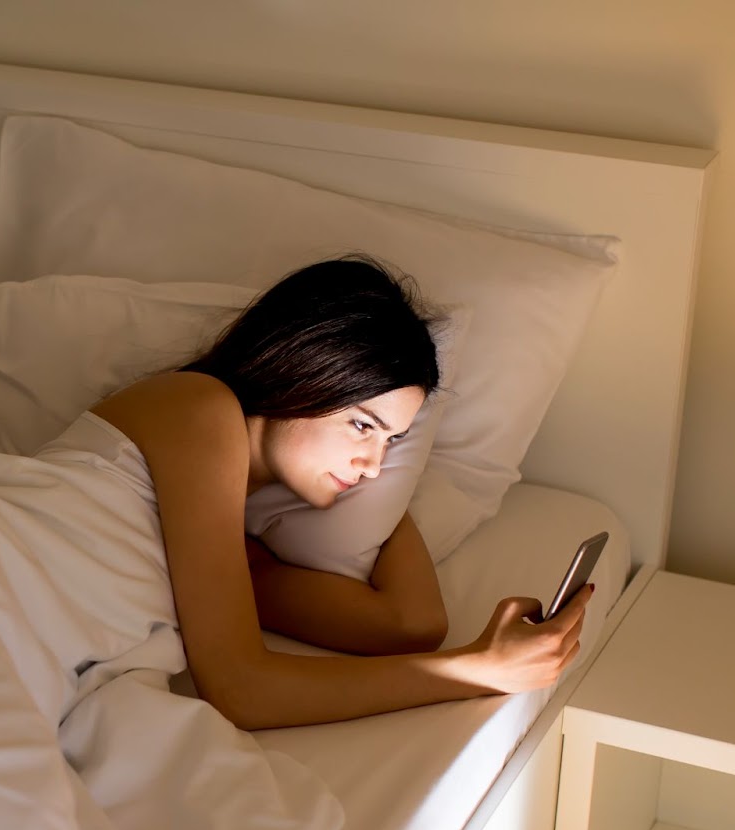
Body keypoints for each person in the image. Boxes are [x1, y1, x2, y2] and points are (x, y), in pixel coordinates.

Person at [91, 256, 591, 730]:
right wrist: (478, 670)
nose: (374, 467)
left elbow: (408, 625)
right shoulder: (196, 405)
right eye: (361, 425)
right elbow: (240, 689)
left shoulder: (240, 551)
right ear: (300, 370)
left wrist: (390, 495)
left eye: (391, 441)